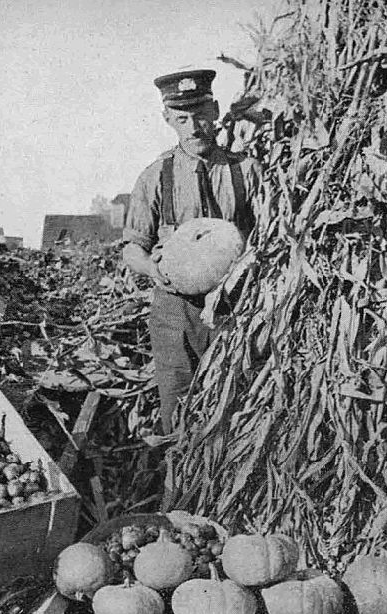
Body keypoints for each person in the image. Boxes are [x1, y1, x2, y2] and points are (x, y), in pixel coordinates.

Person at [120, 68, 260, 435]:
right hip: (175, 312)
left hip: (236, 308)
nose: (194, 126)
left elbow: (271, 236)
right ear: (168, 119)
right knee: (179, 409)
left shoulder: (247, 171)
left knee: (239, 405)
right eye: (182, 118)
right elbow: (132, 246)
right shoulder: (154, 177)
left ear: (214, 110)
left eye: (200, 115)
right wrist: (151, 268)